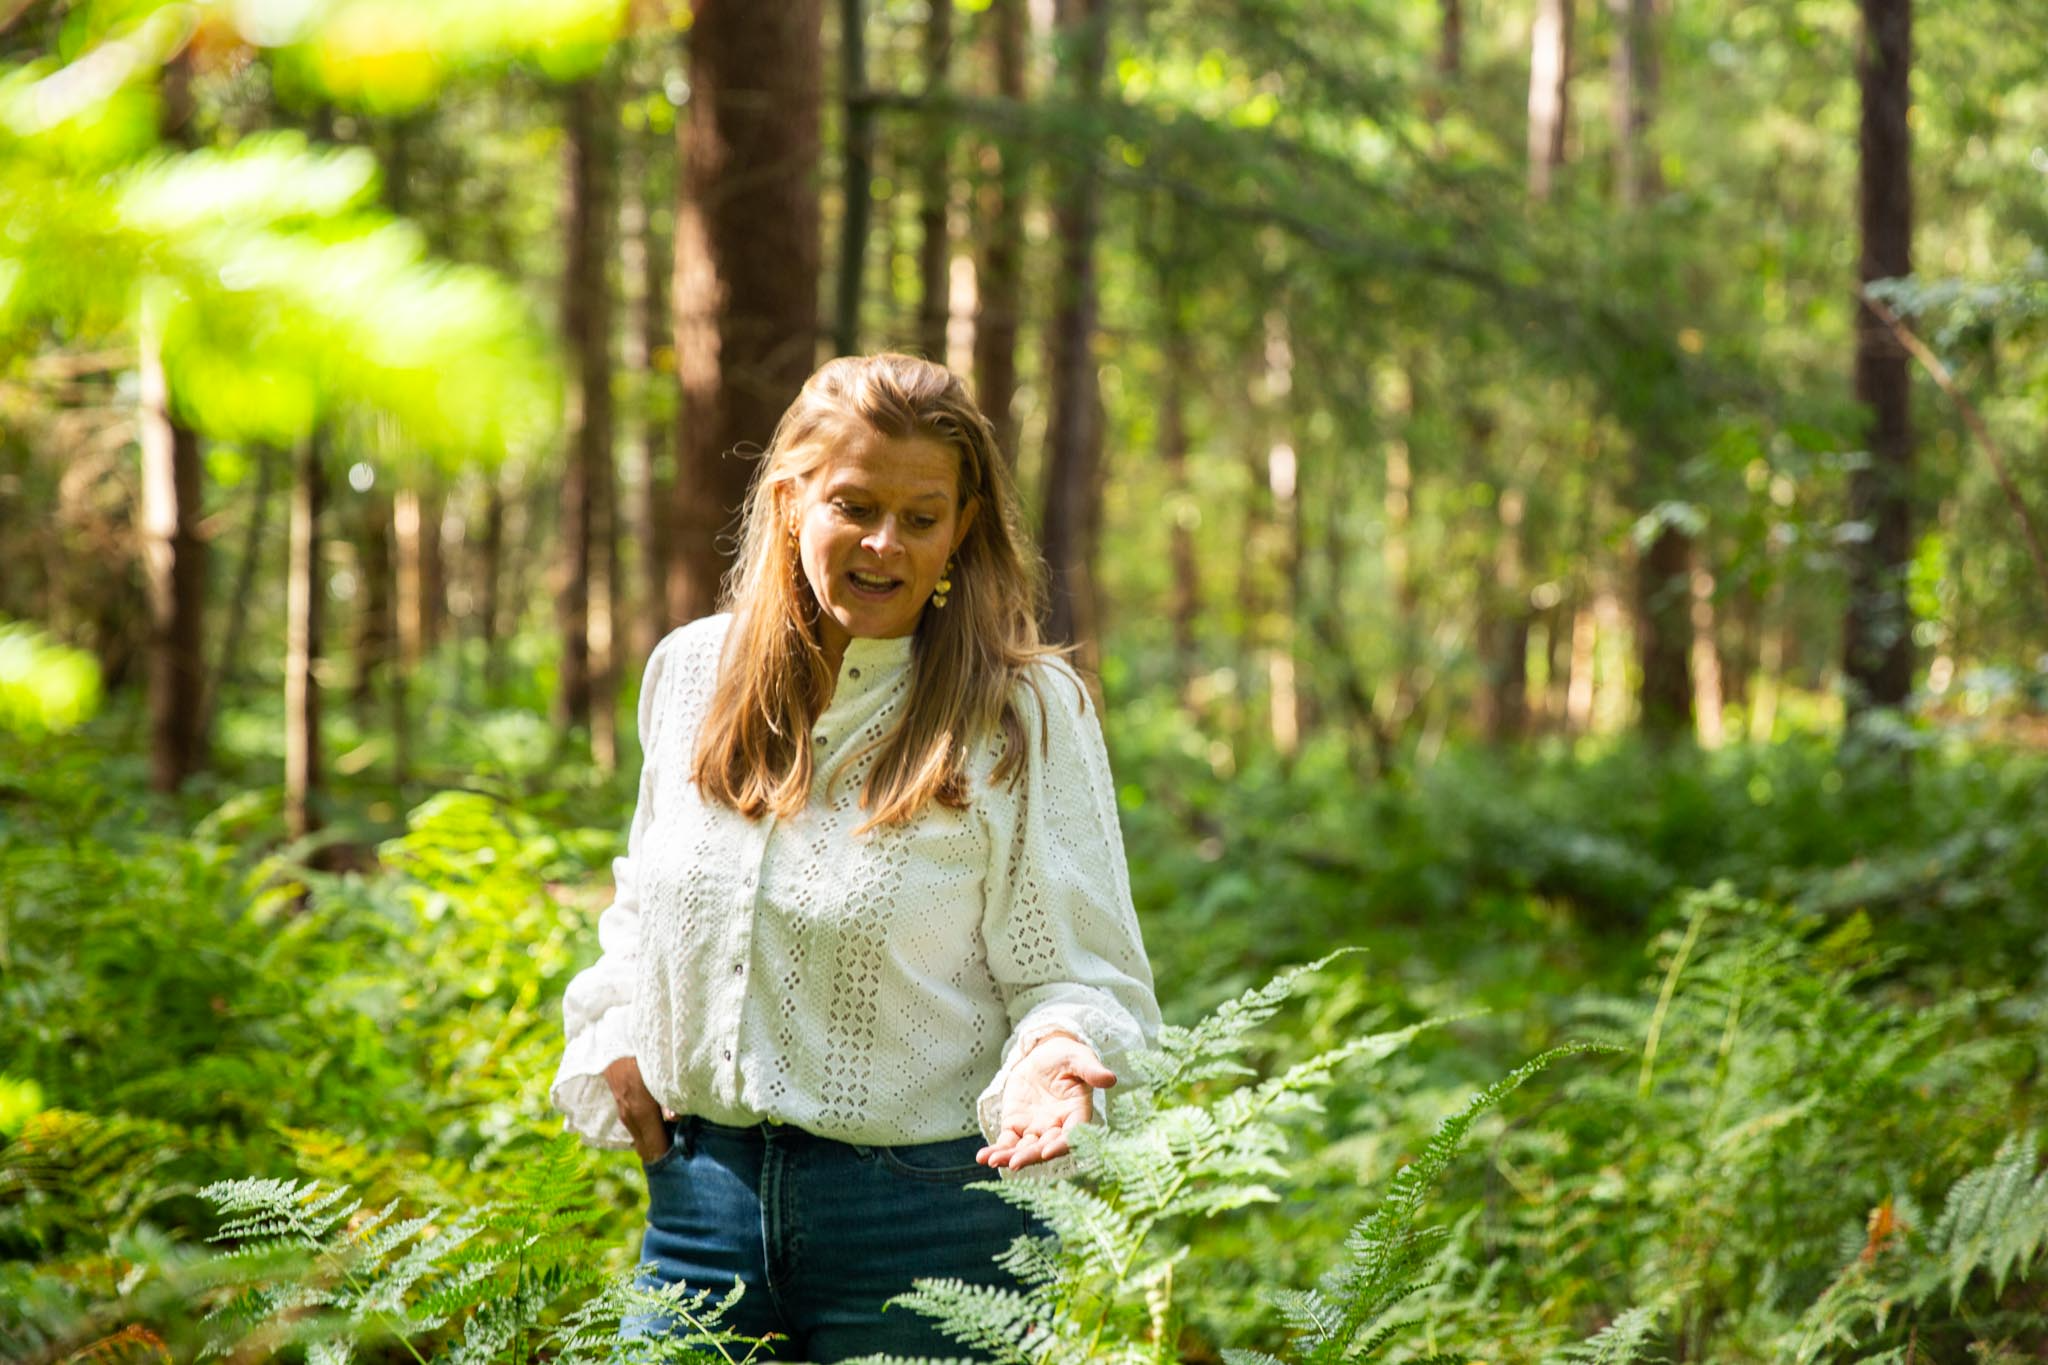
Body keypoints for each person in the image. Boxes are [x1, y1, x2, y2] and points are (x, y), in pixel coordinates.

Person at [548, 353, 1162, 1361]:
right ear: (790, 500)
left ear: (961, 528)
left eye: (921, 517)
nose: (885, 543)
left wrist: (1057, 1059)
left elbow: (1081, 973)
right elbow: (645, 910)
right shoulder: (692, 672)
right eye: (854, 506)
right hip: (699, 1214)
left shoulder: (1022, 713)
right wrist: (619, 1039)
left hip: (931, 1224)